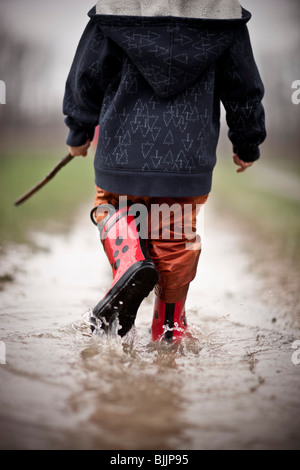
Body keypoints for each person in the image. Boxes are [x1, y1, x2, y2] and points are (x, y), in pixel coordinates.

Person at [63, 0, 266, 342]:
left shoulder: (116, 8)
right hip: (186, 158)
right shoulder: (223, 15)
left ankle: (129, 259)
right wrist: (247, 141)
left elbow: (87, 74)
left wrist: (78, 128)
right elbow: (243, 88)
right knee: (174, 239)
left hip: (122, 153)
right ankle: (169, 327)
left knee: (110, 208)